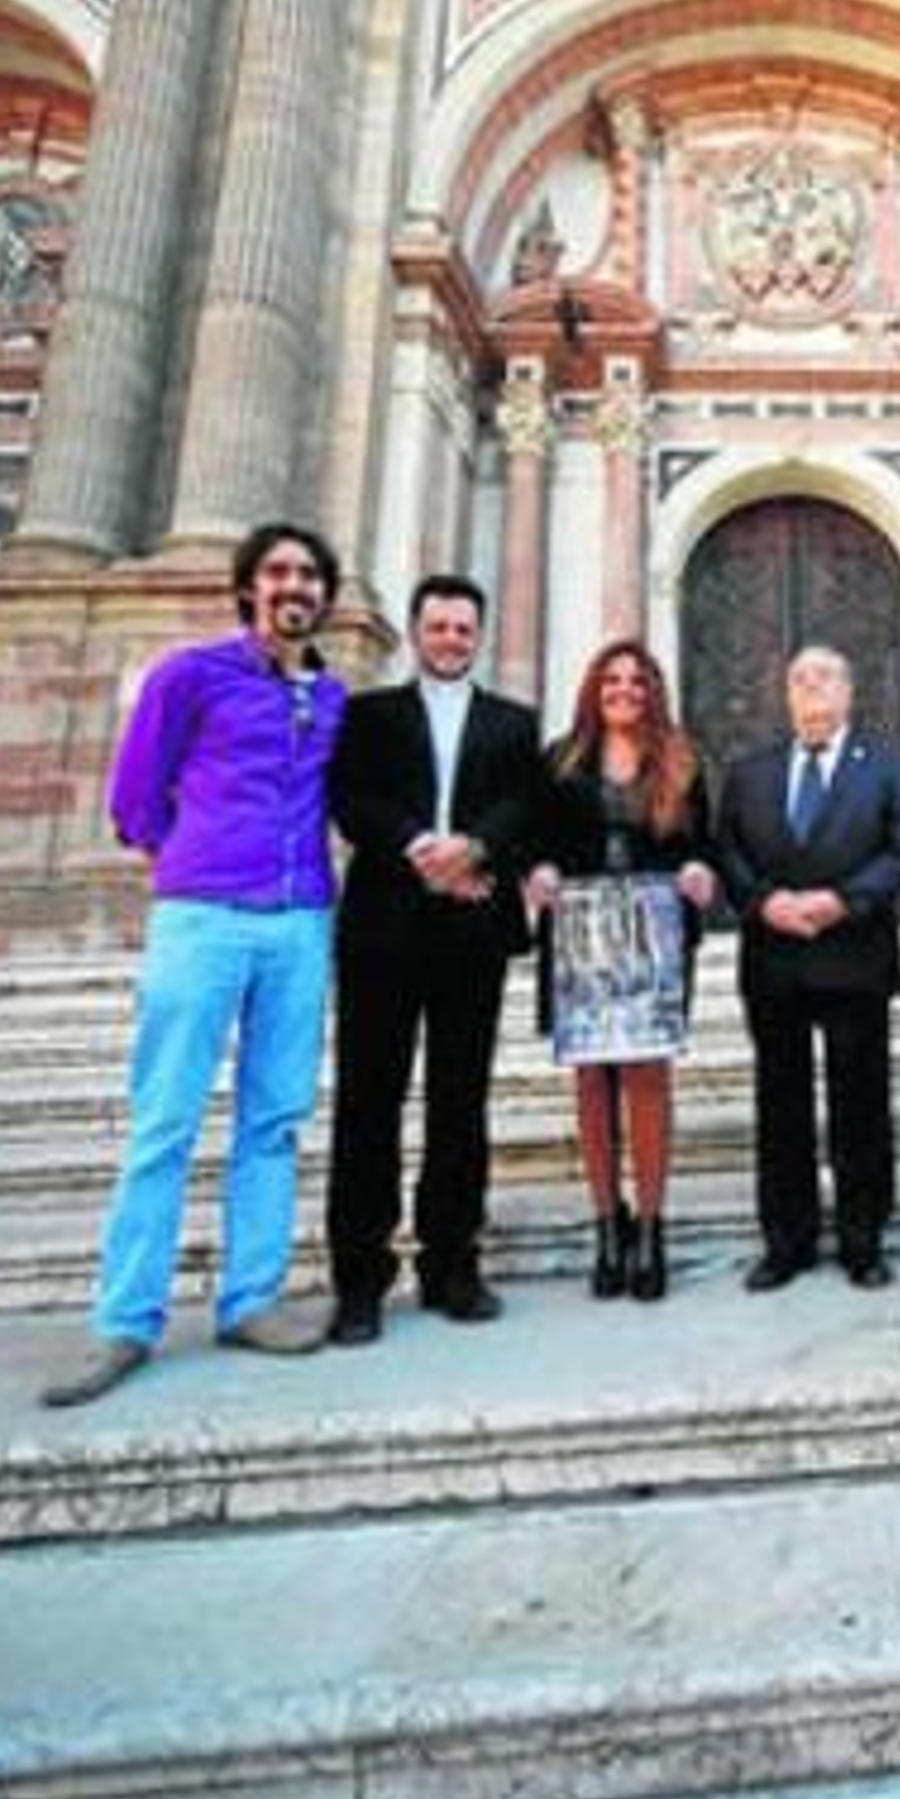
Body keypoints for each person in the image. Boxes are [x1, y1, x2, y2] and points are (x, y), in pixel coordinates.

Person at [41, 524, 345, 1408]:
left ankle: (251, 1297)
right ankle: (125, 1320)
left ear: (323, 594)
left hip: (299, 919)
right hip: (204, 917)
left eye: (308, 575)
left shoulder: (329, 696)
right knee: (165, 1119)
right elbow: (135, 799)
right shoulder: (189, 675)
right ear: (248, 586)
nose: (294, 586)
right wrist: (193, 863)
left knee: (276, 1118)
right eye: (278, 572)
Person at [325, 574, 543, 1344]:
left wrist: (476, 847)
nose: (451, 638)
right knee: (367, 1101)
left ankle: (453, 1261)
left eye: (463, 628)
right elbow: (350, 798)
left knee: (460, 1101)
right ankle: (360, 1277)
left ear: (478, 635)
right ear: (417, 632)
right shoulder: (368, 714)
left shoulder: (513, 723)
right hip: (383, 928)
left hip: (471, 928)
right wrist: (419, 844)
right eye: (439, 626)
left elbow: (526, 805)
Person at [717, 643, 900, 1292]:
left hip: (855, 952)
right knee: (781, 1105)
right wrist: (765, 900)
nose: (812, 687)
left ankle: (863, 1239)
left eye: (826, 676)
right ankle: (788, 1240)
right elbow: (729, 850)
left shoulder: (885, 764)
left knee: (860, 1103)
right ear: (788, 694)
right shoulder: (751, 770)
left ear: (849, 691)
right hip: (774, 956)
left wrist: (842, 900)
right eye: (800, 678)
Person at [528, 640, 715, 1302]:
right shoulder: (560, 757)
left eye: (637, 680)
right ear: (593, 687)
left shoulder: (682, 758)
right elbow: (537, 837)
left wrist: (698, 868)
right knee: (591, 1078)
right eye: (612, 678)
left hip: (654, 931)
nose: (625, 689)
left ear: (653, 689)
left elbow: (703, 841)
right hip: (581, 932)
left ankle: (653, 1226)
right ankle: (609, 1223)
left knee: (646, 1076)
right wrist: (541, 870)